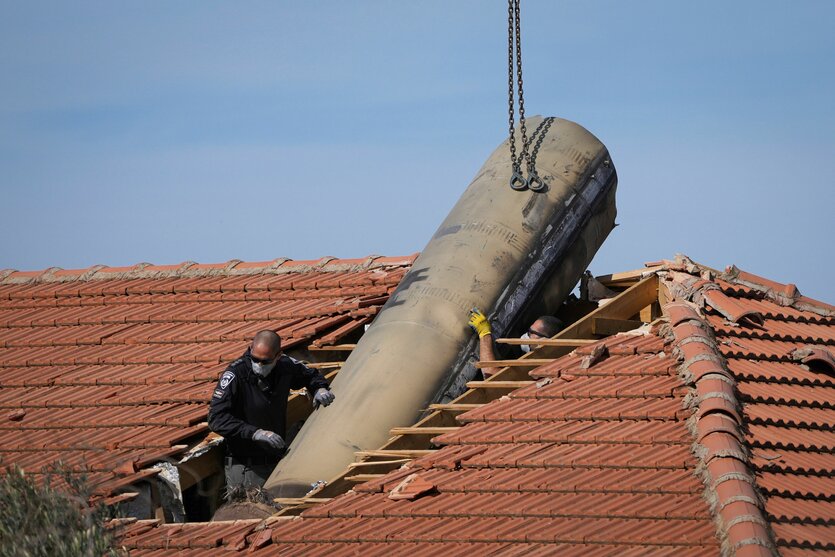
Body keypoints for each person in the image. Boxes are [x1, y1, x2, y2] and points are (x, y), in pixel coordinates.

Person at [208, 330, 335, 491]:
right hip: (246, 465)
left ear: (278, 356)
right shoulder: (235, 374)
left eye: (265, 361)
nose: (259, 365)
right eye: (255, 359)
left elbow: (310, 375)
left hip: (276, 460)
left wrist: (319, 389)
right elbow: (216, 419)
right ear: (250, 349)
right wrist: (255, 433)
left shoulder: (285, 365)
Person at [468, 310, 563, 378]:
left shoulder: (542, 367)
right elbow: (502, 366)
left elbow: (491, 374)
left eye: (532, 333)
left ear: (545, 341)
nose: (527, 335)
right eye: (528, 330)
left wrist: (484, 335)